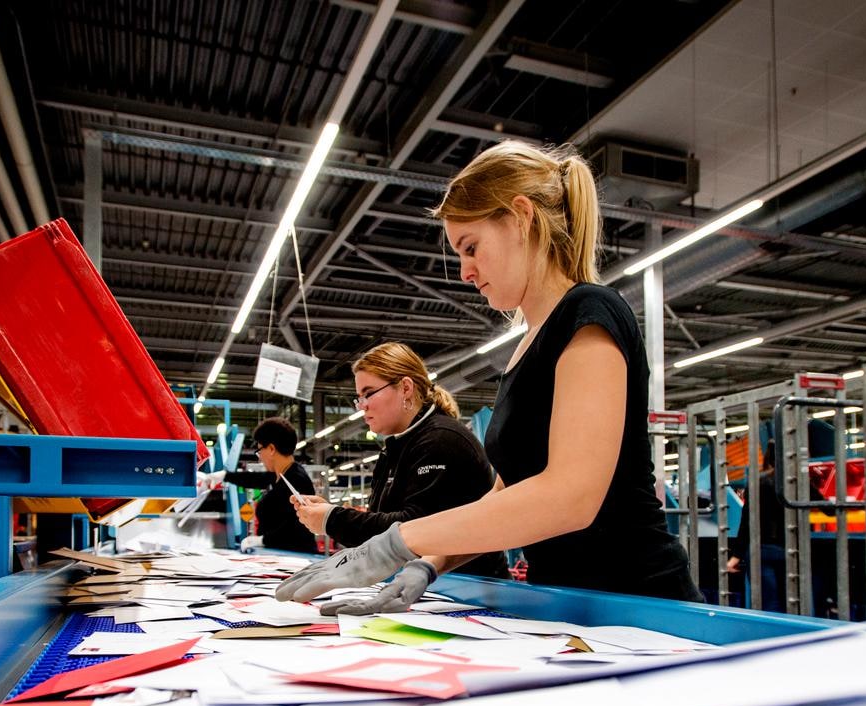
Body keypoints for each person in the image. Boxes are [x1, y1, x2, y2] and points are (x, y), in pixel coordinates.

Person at [277, 140, 695, 613]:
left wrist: (396, 543)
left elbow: (572, 495)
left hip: (640, 601)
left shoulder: (590, 312)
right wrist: (429, 563)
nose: (464, 272)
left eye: (471, 247)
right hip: (567, 604)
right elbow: (508, 490)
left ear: (521, 218)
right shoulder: (525, 345)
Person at [291, 342, 509, 580]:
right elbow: (382, 529)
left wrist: (333, 519)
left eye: (369, 393)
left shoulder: (442, 441)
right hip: (426, 588)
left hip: (468, 589)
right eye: (359, 397)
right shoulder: (396, 448)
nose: (362, 405)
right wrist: (331, 514)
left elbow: (415, 529)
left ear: (405, 387)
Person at [220, 416, 317, 554]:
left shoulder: (296, 480)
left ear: (271, 449)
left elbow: (297, 527)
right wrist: (224, 476)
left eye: (259, 450)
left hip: (295, 558)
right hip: (279, 556)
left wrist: (263, 540)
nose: (260, 456)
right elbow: (255, 479)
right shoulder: (280, 475)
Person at [728, 441, 785, 612]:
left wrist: (736, 556)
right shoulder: (798, 481)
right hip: (787, 548)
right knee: (789, 600)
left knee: (767, 602)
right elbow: (826, 508)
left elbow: (747, 522)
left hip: (761, 549)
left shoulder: (757, 483)